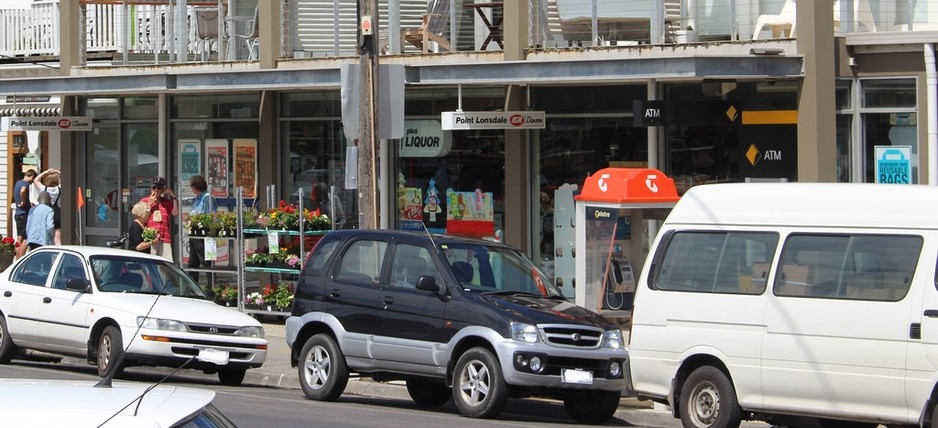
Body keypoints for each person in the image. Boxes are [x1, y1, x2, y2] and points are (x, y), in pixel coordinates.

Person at [141, 177, 178, 261]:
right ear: (151, 189)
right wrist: (150, 203)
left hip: (165, 238)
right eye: (154, 188)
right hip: (151, 238)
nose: (156, 190)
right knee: (152, 264)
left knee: (166, 264)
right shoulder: (144, 201)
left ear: (163, 190)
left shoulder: (166, 202)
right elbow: (142, 217)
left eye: (159, 188)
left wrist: (173, 195)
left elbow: (175, 212)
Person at [186, 175, 215, 282]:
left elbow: (210, 215)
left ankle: (211, 285)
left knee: (206, 261)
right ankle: (192, 286)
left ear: (195, 187)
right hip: (194, 232)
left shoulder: (207, 198)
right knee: (192, 262)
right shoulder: (198, 198)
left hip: (203, 233)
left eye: (192, 186)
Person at [31, 168, 62, 245]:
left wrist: (45, 172)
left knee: (45, 235)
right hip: (57, 212)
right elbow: (65, 178)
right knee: (57, 238)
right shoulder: (59, 188)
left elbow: (35, 180)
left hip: (47, 212)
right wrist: (58, 172)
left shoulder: (44, 188)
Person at [13, 169, 36, 259]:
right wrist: (23, 201)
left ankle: (16, 258)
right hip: (24, 214)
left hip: (18, 213)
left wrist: (28, 202)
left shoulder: (18, 182)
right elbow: (23, 191)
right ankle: (21, 259)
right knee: (27, 237)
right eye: (33, 180)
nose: (32, 182)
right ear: (32, 176)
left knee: (19, 237)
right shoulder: (25, 184)